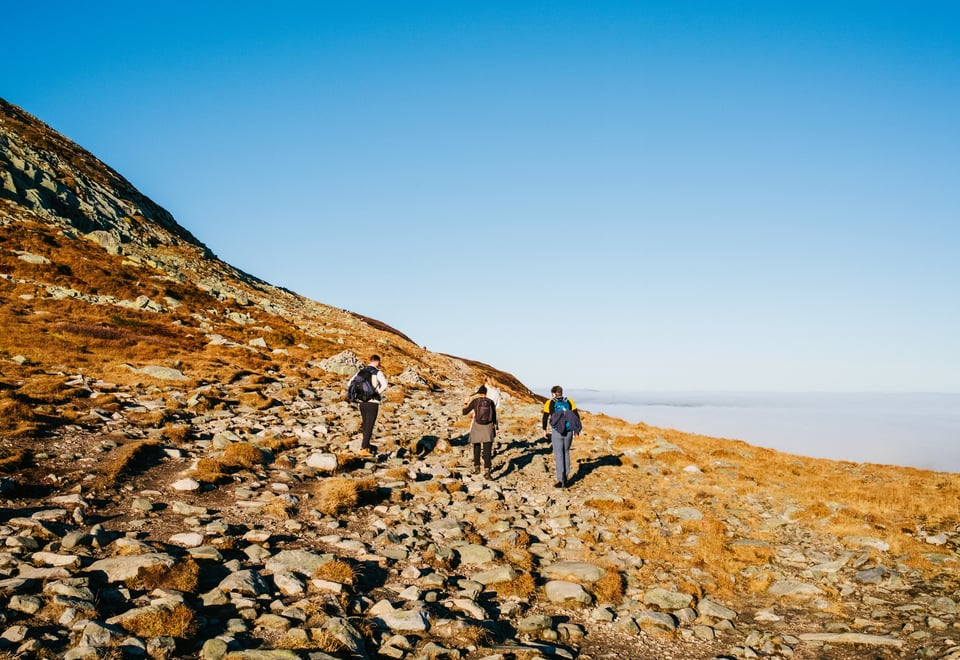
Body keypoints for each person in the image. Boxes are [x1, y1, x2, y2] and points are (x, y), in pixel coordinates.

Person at [541, 385, 582, 488]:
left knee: (559, 455)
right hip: (569, 431)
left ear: (554, 394)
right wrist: (576, 430)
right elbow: (576, 416)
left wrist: (544, 430)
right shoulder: (569, 401)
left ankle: (561, 480)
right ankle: (566, 478)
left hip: (557, 431)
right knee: (566, 452)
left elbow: (545, 417)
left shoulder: (549, 403)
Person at [354, 355, 388, 457]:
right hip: (372, 402)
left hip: (362, 402)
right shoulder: (377, 372)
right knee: (369, 425)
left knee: (365, 424)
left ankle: (367, 446)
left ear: (370, 361)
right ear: (377, 362)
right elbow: (385, 385)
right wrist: (377, 392)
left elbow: (350, 383)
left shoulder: (361, 371)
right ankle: (364, 448)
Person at [463, 384, 497, 478]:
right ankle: (487, 471)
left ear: (479, 393)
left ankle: (477, 468)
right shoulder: (491, 402)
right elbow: (494, 416)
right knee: (487, 450)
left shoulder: (475, 401)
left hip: (477, 426)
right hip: (488, 427)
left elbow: (464, 412)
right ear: (486, 393)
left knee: (476, 447)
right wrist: (495, 427)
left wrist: (466, 402)